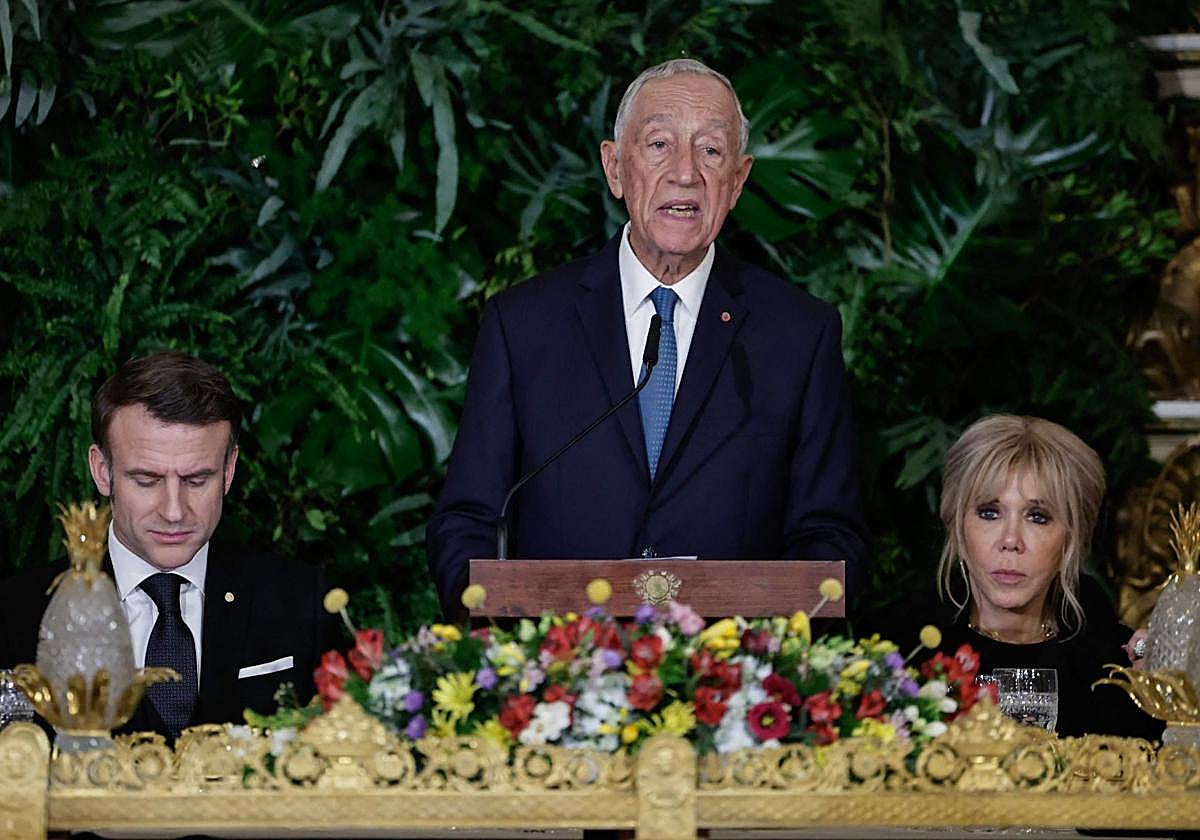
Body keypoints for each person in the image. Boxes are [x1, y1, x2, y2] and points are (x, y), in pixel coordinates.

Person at [427, 58, 869, 617]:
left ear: (738, 181)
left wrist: (757, 646)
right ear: (615, 167)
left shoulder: (800, 335)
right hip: (558, 661)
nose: (685, 173)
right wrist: (508, 638)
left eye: (711, 151)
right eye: (659, 144)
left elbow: (831, 537)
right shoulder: (523, 325)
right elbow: (468, 522)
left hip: (732, 664)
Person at [0, 350, 332, 742]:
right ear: (102, 471)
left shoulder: (303, 600)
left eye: (197, 480)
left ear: (228, 471)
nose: (174, 511)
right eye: (146, 480)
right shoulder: (16, 613)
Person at [857, 414, 1161, 739]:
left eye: (1037, 516)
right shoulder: (892, 653)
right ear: (958, 527)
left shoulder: (1113, 664)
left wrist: (1160, 692)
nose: (1011, 540)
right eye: (989, 512)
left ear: (1072, 538)